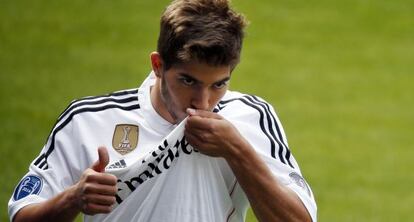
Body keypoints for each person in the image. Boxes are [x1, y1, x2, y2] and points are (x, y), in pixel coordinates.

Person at [8, 0, 317, 221]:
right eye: (188, 81)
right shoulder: (88, 120)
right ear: (158, 65)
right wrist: (74, 198)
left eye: (219, 84)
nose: (203, 101)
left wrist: (237, 150)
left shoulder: (251, 117)